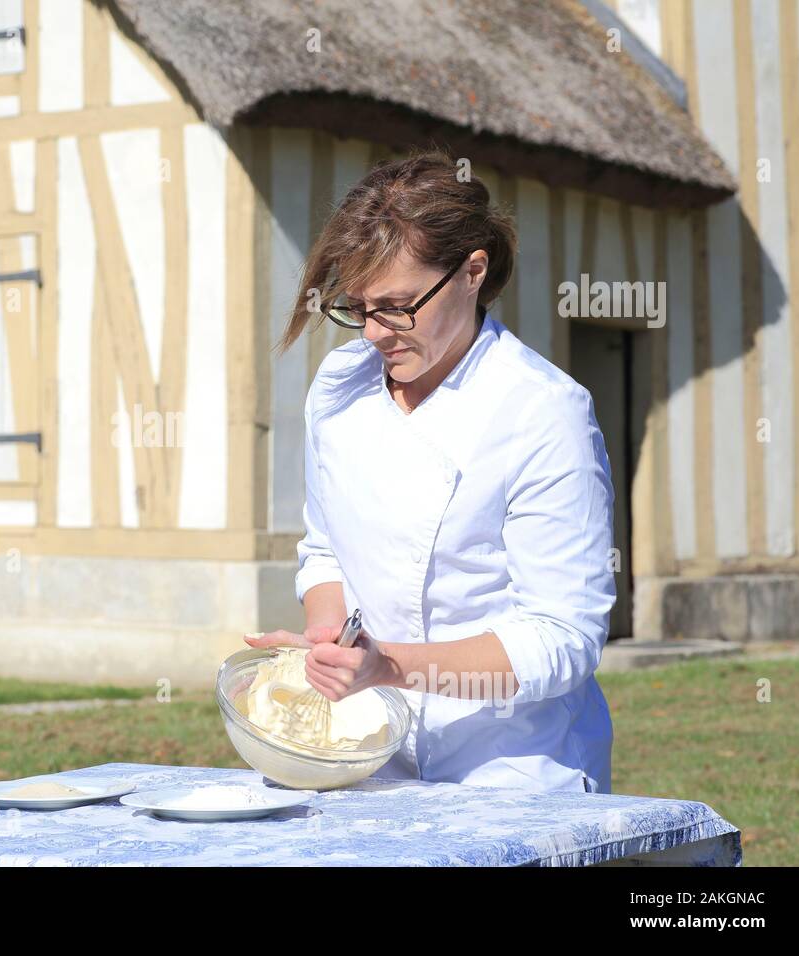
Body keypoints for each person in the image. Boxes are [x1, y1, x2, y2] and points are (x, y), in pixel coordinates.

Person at [245, 149, 617, 793]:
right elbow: (327, 551)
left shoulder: (542, 411)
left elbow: (562, 638)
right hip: (366, 753)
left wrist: (388, 666)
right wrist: (332, 645)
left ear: (473, 272)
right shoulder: (340, 390)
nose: (372, 335)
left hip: (510, 771)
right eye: (357, 307)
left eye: (396, 305)